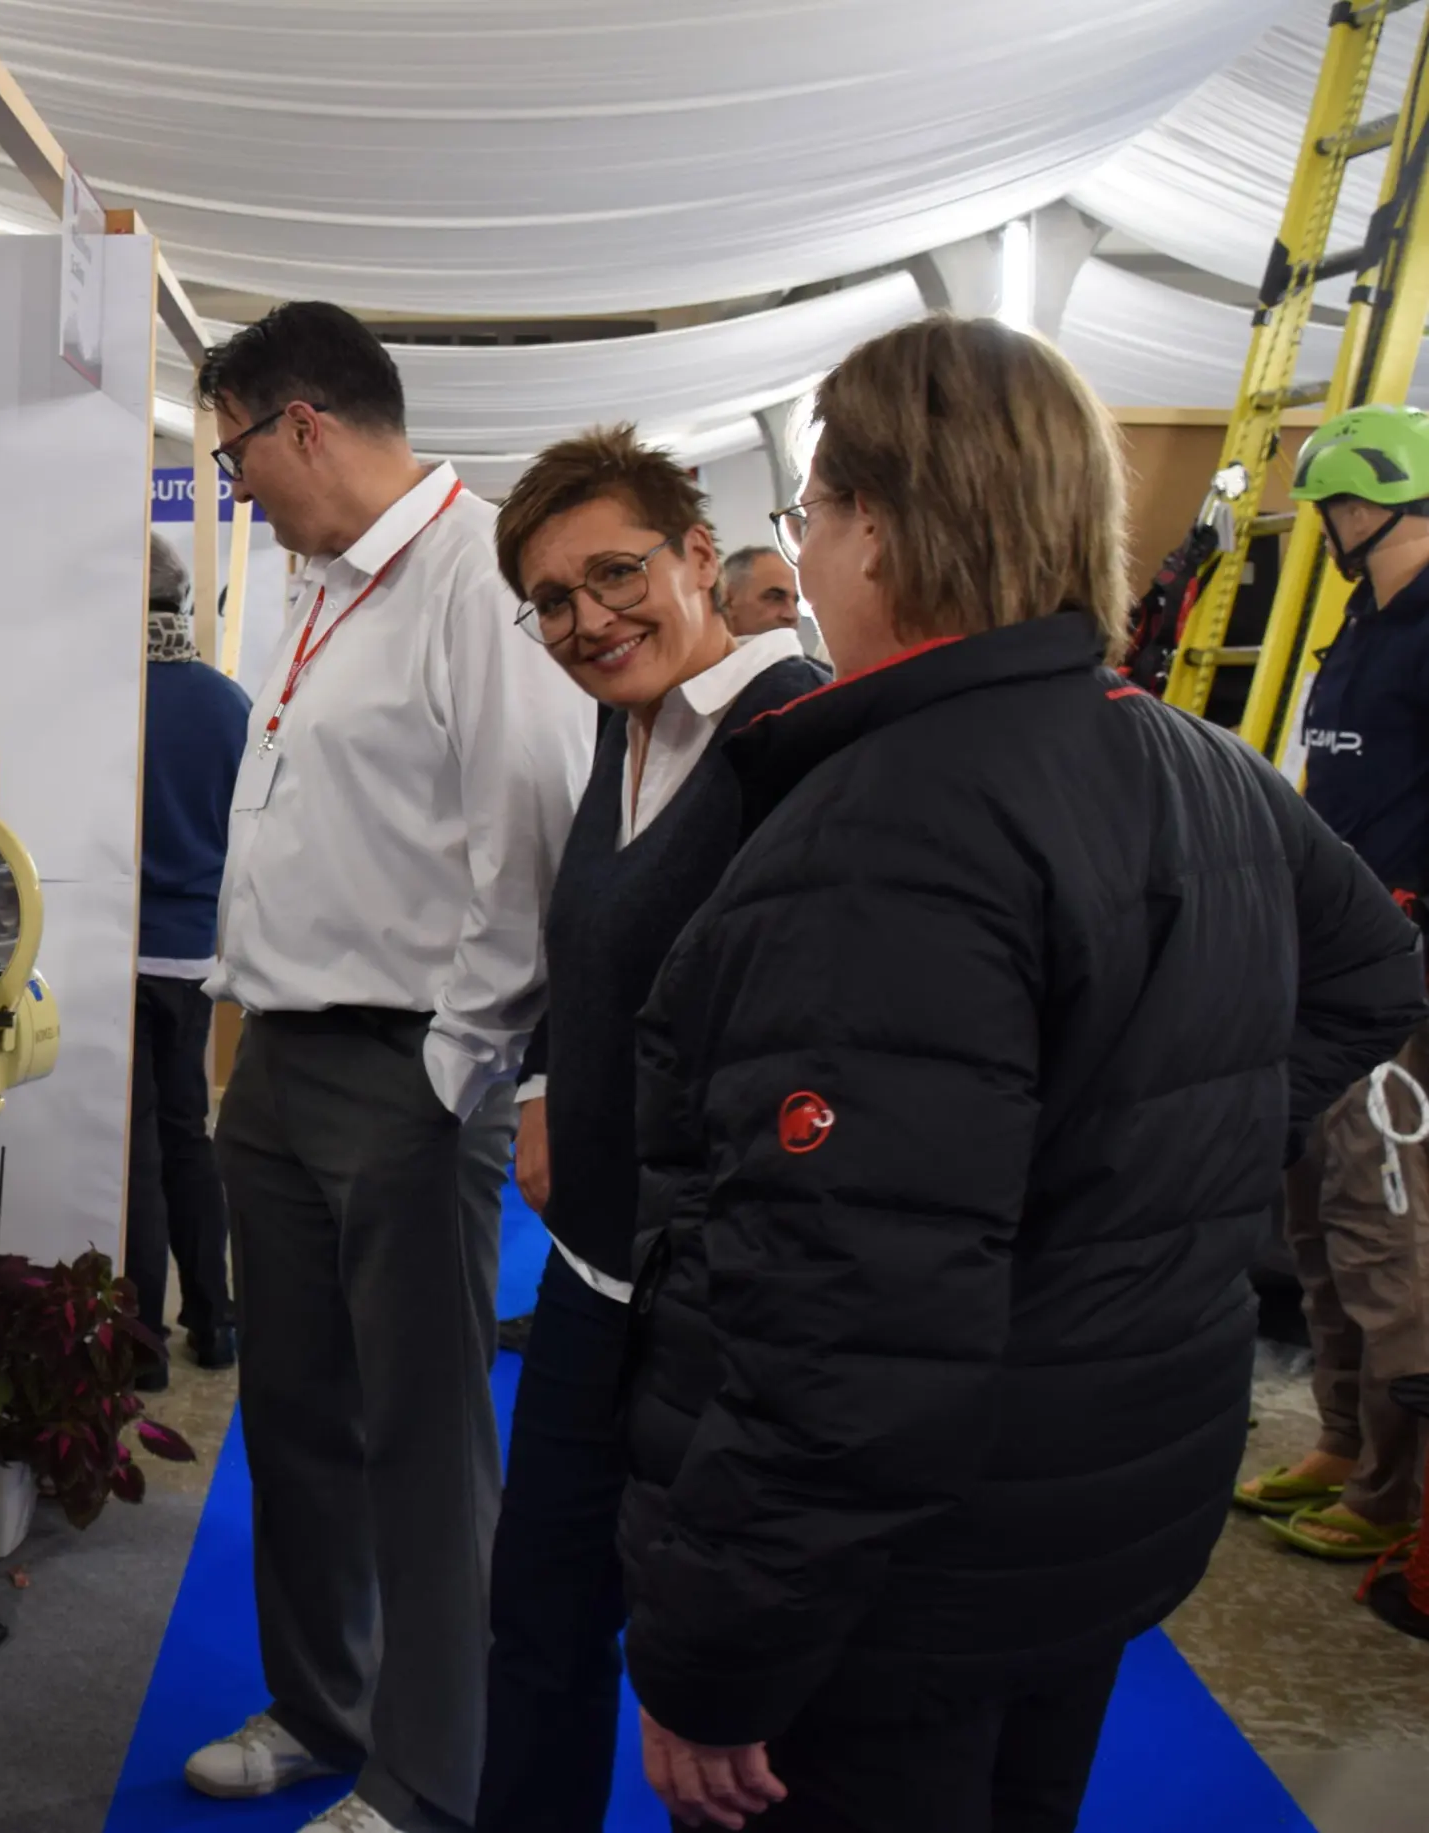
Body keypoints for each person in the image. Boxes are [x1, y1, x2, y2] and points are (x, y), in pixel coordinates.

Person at [618, 316, 1425, 1833]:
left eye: (809, 514)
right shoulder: (1199, 761)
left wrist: (714, 1654)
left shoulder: (894, 827)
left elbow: (840, 1330)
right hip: (1096, 1508)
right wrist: (1150, 1170)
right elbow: (1373, 968)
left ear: (874, 524)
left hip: (911, 1571)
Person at [182, 302, 592, 1833]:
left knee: (422, 1441)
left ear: (302, 424)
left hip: (404, 1070)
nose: (234, 489)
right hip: (280, 1056)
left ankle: (431, 1779)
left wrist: (460, 1069)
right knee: (293, 1415)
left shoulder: (475, 583)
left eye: (233, 453)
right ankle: (319, 1702)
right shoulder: (320, 586)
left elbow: (534, 840)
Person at [477, 429, 824, 1833]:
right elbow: (589, 950)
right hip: (593, 1281)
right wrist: (547, 1084)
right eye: (552, 600)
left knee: (724, 1713)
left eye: (614, 574)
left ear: (700, 558)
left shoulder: (789, 741)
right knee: (541, 1627)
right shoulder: (627, 734)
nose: (586, 620)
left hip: (718, 1311)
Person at [1232, 403, 1429, 1561]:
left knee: (1384, 1216)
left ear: (1374, 501)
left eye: (1335, 506)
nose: (1328, 526)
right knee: (1313, 1203)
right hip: (1330, 956)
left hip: (1404, 970)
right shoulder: (1359, 632)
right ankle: (1347, 1438)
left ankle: (1396, 1492)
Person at [131, 532, 248, 1390]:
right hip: (192, 952)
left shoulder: (109, 701)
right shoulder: (227, 703)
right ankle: (213, 1320)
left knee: (133, 1149)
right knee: (187, 1136)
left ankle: (137, 1343)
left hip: (114, 949)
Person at [716, 543, 830, 664]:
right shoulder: (702, 677)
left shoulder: (822, 676)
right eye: (775, 598)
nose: (792, 615)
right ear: (727, 600)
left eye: (796, 601)